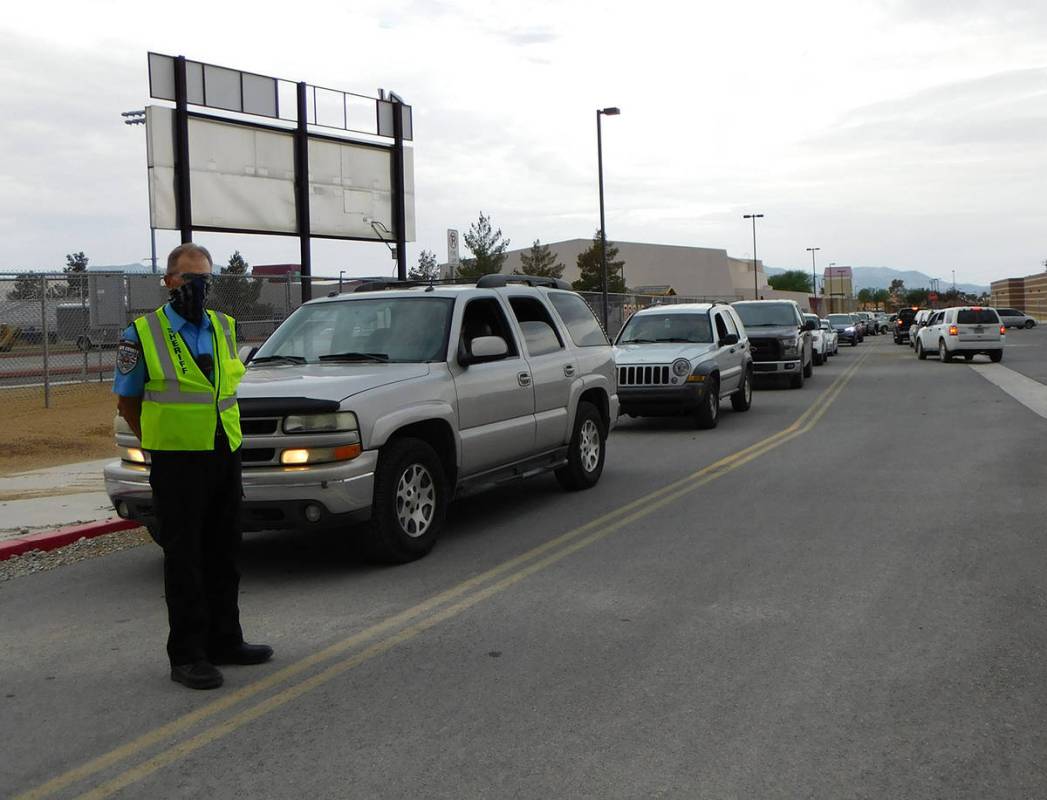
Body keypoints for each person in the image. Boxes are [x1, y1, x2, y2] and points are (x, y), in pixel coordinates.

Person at [114, 242, 272, 690]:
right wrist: (160, 443)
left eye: (205, 279)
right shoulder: (142, 334)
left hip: (224, 454)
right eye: (189, 279)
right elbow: (128, 401)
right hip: (177, 461)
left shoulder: (223, 326)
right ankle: (187, 654)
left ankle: (227, 639)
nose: (198, 288)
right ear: (169, 282)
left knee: (225, 551)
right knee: (184, 558)